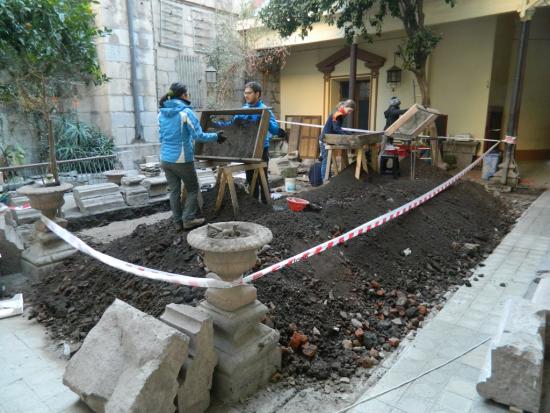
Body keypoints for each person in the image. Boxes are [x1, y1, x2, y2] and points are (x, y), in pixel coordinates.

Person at [158, 82, 225, 231]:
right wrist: (216, 136)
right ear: (183, 95)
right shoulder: (185, 113)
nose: (189, 96)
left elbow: (161, 137)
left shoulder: (161, 113)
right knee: (193, 188)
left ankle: (177, 222)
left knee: (174, 191)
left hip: (165, 158)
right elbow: (198, 135)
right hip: (181, 158)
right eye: (187, 93)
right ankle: (188, 219)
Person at [213, 81, 279, 203]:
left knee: (262, 178)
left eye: (249, 93)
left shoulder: (265, 110)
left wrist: (265, 120)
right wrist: (216, 124)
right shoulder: (243, 110)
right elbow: (231, 125)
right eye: (245, 93)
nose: (246, 95)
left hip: (260, 149)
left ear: (257, 94)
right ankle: (253, 204)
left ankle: (266, 205)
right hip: (246, 149)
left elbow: (275, 129)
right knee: (250, 179)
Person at [318, 99, 355, 181]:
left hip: (330, 139)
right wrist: (347, 135)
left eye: (351, 112)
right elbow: (336, 129)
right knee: (326, 160)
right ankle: (324, 179)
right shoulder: (337, 114)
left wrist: (349, 133)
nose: (349, 113)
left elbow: (339, 129)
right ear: (345, 107)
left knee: (329, 160)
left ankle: (328, 177)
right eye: (349, 111)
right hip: (325, 139)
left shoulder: (341, 114)